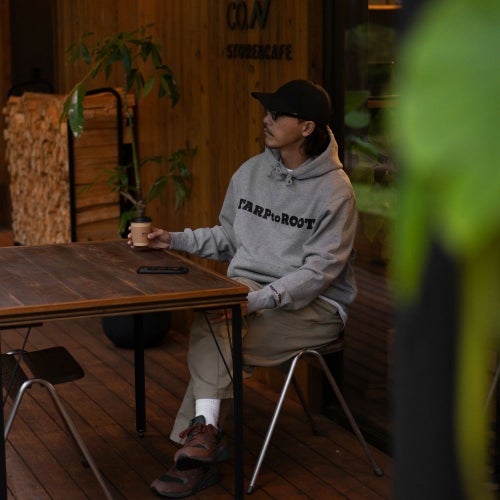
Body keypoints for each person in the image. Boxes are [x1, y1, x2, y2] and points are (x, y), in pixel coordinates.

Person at [130, 79, 358, 498]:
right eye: (266, 112)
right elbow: (230, 238)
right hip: (252, 292)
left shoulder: (335, 192)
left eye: (276, 114)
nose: (266, 120)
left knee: (222, 335)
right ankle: (203, 440)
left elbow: (319, 273)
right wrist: (173, 240)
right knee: (220, 320)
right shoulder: (251, 172)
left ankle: (198, 443)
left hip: (316, 308)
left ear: (306, 127)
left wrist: (255, 301)